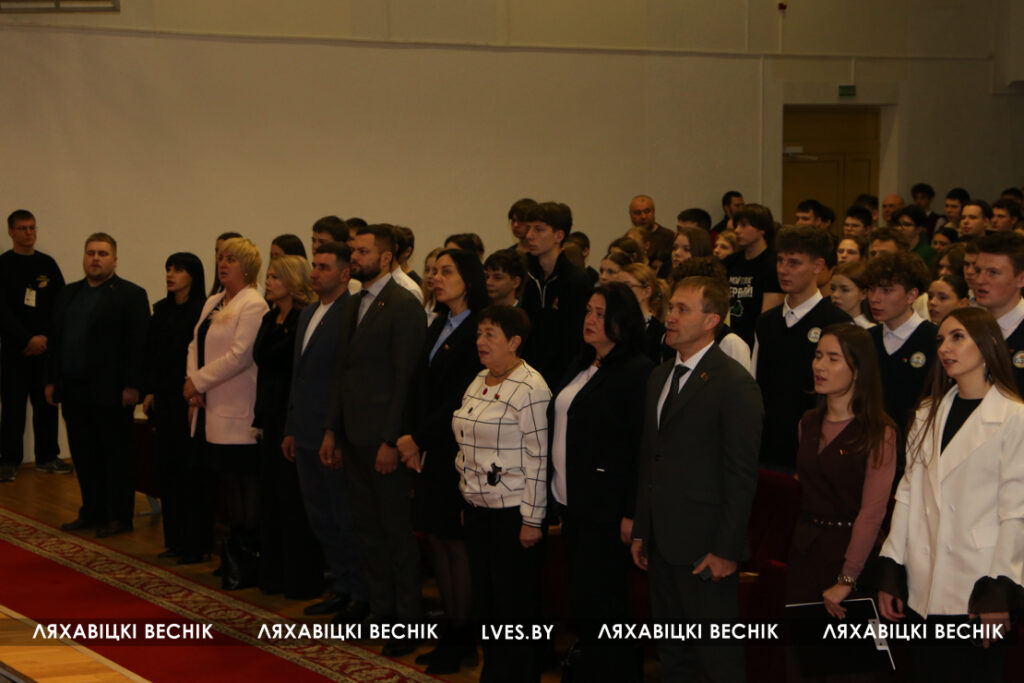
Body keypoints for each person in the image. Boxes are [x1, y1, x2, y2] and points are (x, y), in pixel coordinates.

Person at [876, 308, 1024, 682]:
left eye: (958, 337)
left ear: (988, 345)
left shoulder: (1014, 417)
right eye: (941, 339)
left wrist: (1001, 587)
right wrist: (893, 565)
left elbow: (1016, 513)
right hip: (924, 580)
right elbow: (907, 494)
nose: (945, 347)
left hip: (978, 581)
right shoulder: (928, 411)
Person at [631, 276, 762, 683]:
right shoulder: (660, 376)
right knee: (673, 657)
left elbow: (741, 475)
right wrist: (642, 529)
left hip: (705, 546)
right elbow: (650, 459)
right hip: (660, 543)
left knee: (717, 660)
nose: (669, 317)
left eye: (681, 310)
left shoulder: (735, 383)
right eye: (670, 308)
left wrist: (726, 550)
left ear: (711, 321)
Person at [321, 224, 426, 657]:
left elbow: (407, 378)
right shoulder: (353, 303)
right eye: (353, 250)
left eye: (362, 251)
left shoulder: (403, 304)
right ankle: (381, 613)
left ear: (386, 257)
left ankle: (408, 623)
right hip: (353, 435)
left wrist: (391, 438)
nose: (354, 257)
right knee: (368, 531)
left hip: (382, 439)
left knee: (396, 534)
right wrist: (332, 429)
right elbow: (342, 373)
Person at [549, 283, 653, 682]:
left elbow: (639, 448)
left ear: (622, 321)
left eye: (600, 313)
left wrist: (630, 512)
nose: (589, 320)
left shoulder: (637, 371)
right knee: (584, 600)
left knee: (606, 604)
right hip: (573, 504)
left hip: (607, 510)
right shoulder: (582, 363)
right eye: (588, 311)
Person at [397, 249, 487, 674]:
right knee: (436, 538)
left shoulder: (478, 327)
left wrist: (418, 437)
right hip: (430, 448)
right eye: (433, 271)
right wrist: (410, 436)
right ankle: (450, 629)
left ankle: (462, 636)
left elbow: (459, 396)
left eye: (446, 272)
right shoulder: (438, 323)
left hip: (458, 450)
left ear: (468, 278)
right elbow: (418, 386)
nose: (435, 277)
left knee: (456, 544)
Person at [787, 325, 896, 677]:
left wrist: (847, 579)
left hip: (851, 554)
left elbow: (872, 513)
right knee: (804, 663)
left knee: (849, 668)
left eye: (833, 358)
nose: (820, 365)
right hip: (805, 550)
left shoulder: (878, 432)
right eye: (818, 356)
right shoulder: (807, 422)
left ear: (858, 370)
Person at [455, 305, 550, 682]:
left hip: (513, 513)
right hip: (479, 509)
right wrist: (467, 494)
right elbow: (465, 441)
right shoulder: (479, 378)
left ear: (514, 342)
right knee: (488, 602)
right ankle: (494, 673)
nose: (480, 341)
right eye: (479, 333)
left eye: (490, 334)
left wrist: (532, 519)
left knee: (515, 607)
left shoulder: (531, 387)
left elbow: (539, 457)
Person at [284, 242, 370, 624]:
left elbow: (345, 380)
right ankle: (340, 587)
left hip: (330, 434)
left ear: (345, 274)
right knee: (319, 517)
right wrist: (290, 427)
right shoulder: (307, 313)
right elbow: (298, 376)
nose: (314, 273)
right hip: (303, 430)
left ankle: (360, 594)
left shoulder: (351, 312)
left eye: (324, 267)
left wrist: (333, 432)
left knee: (343, 518)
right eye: (314, 266)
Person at [46, 233, 149, 536]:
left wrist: (133, 385)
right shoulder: (69, 293)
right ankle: (92, 512)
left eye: (102, 253)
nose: (95, 258)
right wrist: (50, 379)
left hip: (112, 391)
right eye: (91, 252)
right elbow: (56, 339)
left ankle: (119, 517)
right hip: (73, 389)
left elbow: (137, 345)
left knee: (115, 455)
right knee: (84, 455)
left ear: (114, 260)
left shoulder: (130, 295)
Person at [182, 237, 269, 574]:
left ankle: (248, 553)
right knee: (228, 482)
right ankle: (234, 551)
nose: (223, 263)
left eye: (231, 259)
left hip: (237, 407)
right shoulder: (214, 300)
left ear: (247, 268)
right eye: (221, 257)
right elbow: (194, 344)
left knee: (245, 482)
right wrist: (193, 382)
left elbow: (240, 355)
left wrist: (199, 381)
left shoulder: (253, 304)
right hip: (209, 406)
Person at [753, 226, 852, 470]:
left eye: (794, 263)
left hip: (817, 447)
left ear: (818, 266)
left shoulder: (838, 323)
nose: (783, 269)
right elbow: (755, 384)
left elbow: (846, 395)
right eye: (780, 260)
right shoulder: (766, 322)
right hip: (768, 447)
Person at [253, 255, 321, 599]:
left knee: (293, 500)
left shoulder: (301, 320)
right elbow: (261, 358)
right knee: (271, 498)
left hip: (291, 415)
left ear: (294, 282)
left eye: (275, 277)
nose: (268, 282)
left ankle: (300, 578)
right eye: (268, 276)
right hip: (269, 413)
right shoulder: (270, 317)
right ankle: (273, 574)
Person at [142, 252, 206, 558]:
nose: (170, 275)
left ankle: (195, 544)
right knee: (167, 470)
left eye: (178, 270)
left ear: (192, 276)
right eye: (168, 269)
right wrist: (150, 390)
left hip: (189, 398)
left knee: (189, 472)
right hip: (165, 398)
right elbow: (152, 353)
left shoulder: (201, 311)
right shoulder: (162, 310)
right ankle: (174, 540)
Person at [0, 209, 67, 482]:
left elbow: (61, 305)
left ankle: (47, 456)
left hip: (45, 350)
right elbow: (2, 311)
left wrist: (44, 338)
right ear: (11, 232)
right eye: (22, 228)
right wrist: (26, 339)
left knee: (47, 404)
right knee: (13, 407)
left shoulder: (47, 264)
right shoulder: (3, 265)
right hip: (15, 349)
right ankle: (9, 460)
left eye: (32, 227)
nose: (28, 233)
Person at [863, 252, 936, 463]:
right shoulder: (866, 339)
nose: (875, 298)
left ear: (911, 295)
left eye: (887, 290)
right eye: (871, 289)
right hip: (870, 450)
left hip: (917, 453)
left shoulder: (934, 339)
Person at [520, 201, 592, 385]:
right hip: (529, 376)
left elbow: (575, 342)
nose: (529, 236)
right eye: (529, 228)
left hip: (562, 378)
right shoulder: (530, 277)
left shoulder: (576, 281)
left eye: (538, 229)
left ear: (558, 236)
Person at [723, 203, 784, 346]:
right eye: (736, 225)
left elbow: (768, 316)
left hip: (755, 339)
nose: (737, 230)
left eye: (744, 225)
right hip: (728, 336)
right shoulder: (730, 262)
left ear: (762, 229)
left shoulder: (773, 263)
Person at [973, 232, 1024, 395]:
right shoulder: (969, 327)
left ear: (1021, 279)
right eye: (978, 270)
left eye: (993, 272)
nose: (980, 280)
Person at [617, 262, 668, 365]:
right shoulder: (615, 324)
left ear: (646, 292)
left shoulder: (659, 333)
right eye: (618, 287)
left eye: (627, 286)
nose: (619, 292)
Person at [628, 194, 674, 260]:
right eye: (638, 213)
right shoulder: (629, 238)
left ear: (653, 212)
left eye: (647, 211)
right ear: (631, 215)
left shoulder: (668, 237)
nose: (643, 216)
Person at [830, 261, 873, 328]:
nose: (835, 295)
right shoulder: (827, 324)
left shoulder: (870, 329)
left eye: (845, 290)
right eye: (833, 289)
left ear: (863, 294)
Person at [209, 231, 243, 296]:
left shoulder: (253, 294)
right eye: (217, 251)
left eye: (226, 251)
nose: (219, 256)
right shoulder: (219, 291)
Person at [421, 246, 443, 325]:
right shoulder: (424, 303)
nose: (429, 276)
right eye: (427, 270)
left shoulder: (444, 310)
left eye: (435, 272)